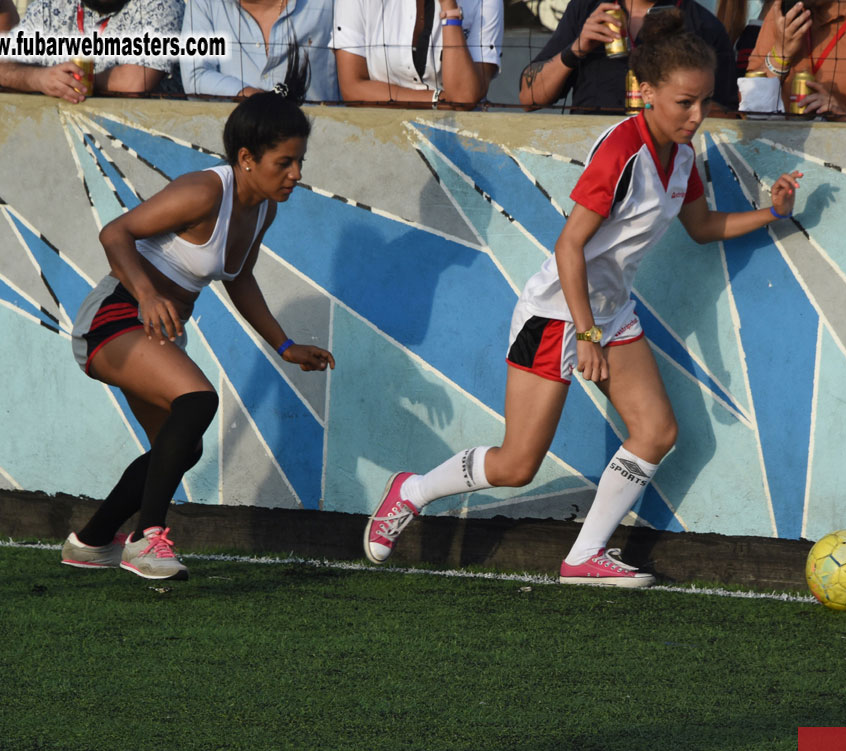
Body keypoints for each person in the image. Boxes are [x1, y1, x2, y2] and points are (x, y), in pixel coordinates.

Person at [364, 9, 801, 588]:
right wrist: (587, 333)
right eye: (683, 103)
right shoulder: (621, 152)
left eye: (702, 102)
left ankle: (584, 557)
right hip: (556, 315)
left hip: (610, 310)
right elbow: (570, 247)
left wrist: (773, 212)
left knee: (656, 432)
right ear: (646, 94)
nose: (697, 117)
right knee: (517, 465)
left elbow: (702, 227)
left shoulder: (684, 158)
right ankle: (411, 491)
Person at [61, 80, 335, 581]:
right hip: (117, 315)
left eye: (300, 162)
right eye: (285, 163)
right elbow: (114, 233)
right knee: (198, 401)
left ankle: (92, 541)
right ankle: (148, 539)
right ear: (247, 157)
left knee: (182, 448)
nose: (296, 174)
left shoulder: (263, 208)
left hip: (158, 328)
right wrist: (147, 294)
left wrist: (286, 346)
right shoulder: (205, 189)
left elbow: (241, 278)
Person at [519, 0, 740, 113]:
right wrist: (576, 48)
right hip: (592, 155)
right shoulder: (587, 8)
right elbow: (528, 99)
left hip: (668, 165)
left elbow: (728, 121)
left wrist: (678, 97)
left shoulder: (704, 25)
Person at [0, 0, 183, 104]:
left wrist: (69, 82)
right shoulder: (49, 5)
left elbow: (136, 81)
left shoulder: (162, 3)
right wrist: (40, 79)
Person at [332, 0, 502, 109]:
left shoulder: (484, 2)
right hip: (380, 140)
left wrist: (449, 8)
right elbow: (352, 87)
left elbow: (464, 96)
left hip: (457, 144)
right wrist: (436, 99)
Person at [181, 0, 338, 102]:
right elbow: (195, 76)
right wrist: (256, 99)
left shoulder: (331, 4)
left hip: (321, 136)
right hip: (233, 138)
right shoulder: (204, 3)